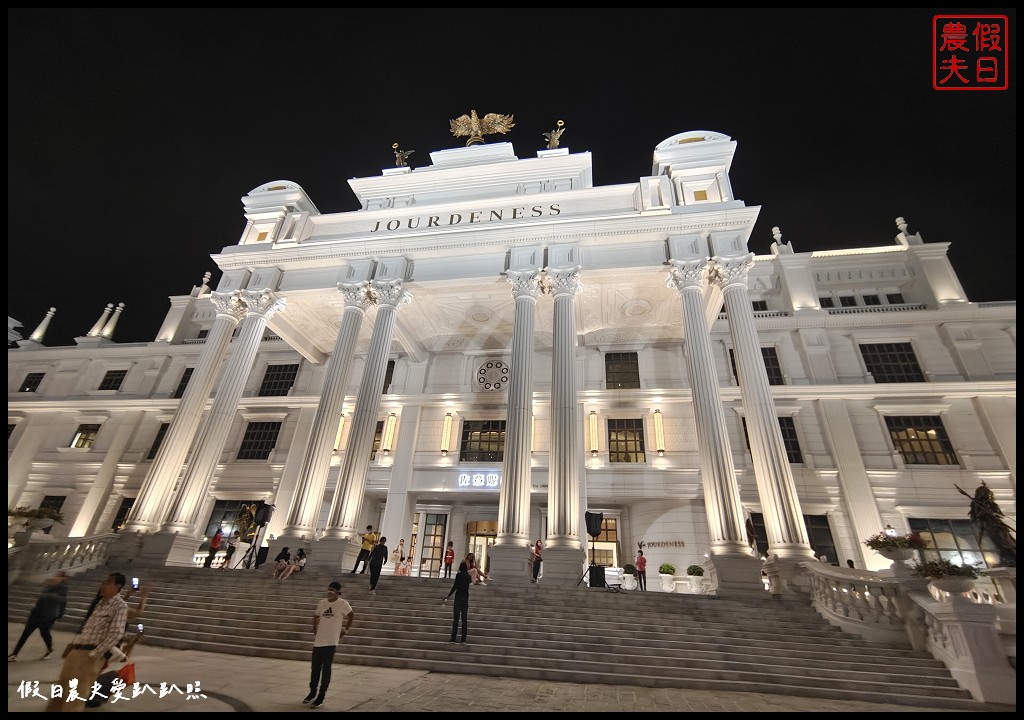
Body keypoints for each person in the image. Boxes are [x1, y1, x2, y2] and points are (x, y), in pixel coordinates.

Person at [45, 572, 128, 712]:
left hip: (91, 654)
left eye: (108, 583)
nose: (103, 585)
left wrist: (96, 652)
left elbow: (116, 633)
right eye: (103, 582)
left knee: (76, 693)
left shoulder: (120, 606)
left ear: (118, 586)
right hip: (77, 651)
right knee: (62, 688)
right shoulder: (101, 604)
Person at [304, 580, 354, 709]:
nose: (329, 592)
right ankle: (312, 692)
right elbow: (315, 616)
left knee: (326, 670)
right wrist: (314, 628)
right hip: (319, 641)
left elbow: (351, 615)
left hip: (331, 641)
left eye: (332, 590)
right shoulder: (322, 603)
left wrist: (345, 630)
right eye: (328, 589)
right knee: (315, 669)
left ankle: (321, 696)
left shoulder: (342, 604)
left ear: (338, 592)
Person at [9, 570, 68, 661]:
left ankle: (49, 649)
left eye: (59, 577)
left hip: (48, 616)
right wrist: (49, 595)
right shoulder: (50, 585)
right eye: (56, 576)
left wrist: (60, 615)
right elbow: (42, 595)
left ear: (63, 579)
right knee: (25, 633)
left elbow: (62, 601)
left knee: (45, 634)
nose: (56, 578)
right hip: (36, 613)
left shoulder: (63, 588)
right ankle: (14, 654)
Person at [956, 481, 1017, 566]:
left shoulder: (991, 503)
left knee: (1008, 540)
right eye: (985, 493)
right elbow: (977, 516)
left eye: (988, 493)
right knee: (1000, 542)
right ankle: (1008, 558)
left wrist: (992, 511)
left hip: (998, 523)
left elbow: (999, 514)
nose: (988, 495)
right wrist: (985, 511)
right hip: (989, 525)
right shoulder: (976, 503)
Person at [443, 561, 471, 642]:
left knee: (456, 618)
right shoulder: (468, 577)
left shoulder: (458, 575)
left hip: (458, 597)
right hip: (465, 598)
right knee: (464, 618)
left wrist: (448, 595)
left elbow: (455, 586)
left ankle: (454, 636)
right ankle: (463, 637)